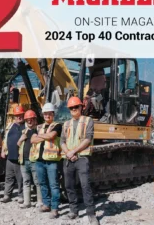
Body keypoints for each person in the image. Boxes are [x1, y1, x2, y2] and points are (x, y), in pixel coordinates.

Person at [61, 96, 99, 225]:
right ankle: (73, 210)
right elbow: (62, 141)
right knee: (69, 186)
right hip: (68, 158)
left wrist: (74, 151)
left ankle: (91, 213)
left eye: (76, 107)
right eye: (71, 108)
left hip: (82, 157)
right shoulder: (66, 124)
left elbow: (88, 139)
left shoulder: (88, 121)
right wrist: (68, 153)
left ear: (81, 107)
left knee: (85, 185)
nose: (73, 110)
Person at [30, 102, 63, 219]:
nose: (47, 115)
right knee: (43, 183)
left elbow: (52, 136)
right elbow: (32, 140)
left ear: (53, 114)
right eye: (45, 114)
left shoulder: (58, 125)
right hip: (39, 160)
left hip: (51, 161)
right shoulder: (38, 127)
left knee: (54, 185)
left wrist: (41, 136)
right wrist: (44, 136)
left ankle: (55, 208)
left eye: (49, 113)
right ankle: (46, 204)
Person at [17, 109, 43, 208]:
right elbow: (18, 144)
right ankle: (27, 202)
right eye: (27, 120)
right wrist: (21, 139)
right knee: (26, 181)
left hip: (34, 160)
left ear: (35, 119)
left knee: (37, 181)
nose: (29, 121)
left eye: (31, 119)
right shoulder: (24, 131)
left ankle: (40, 202)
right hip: (23, 160)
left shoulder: (39, 130)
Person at [0, 105, 25, 203]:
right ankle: (7, 195)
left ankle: (21, 195)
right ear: (14, 116)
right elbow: (5, 139)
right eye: (17, 115)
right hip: (10, 156)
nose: (19, 117)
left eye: (21, 115)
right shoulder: (10, 126)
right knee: (8, 177)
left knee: (21, 178)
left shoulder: (26, 126)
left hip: (20, 157)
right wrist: (3, 150)